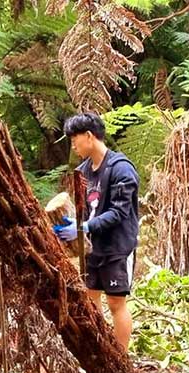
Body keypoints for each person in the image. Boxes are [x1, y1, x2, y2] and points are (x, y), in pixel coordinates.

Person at [54, 113, 139, 348]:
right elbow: (84, 210)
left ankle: (121, 357)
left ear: (89, 136)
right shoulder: (83, 172)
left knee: (115, 303)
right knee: (91, 300)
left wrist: (83, 228)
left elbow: (119, 212)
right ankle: (102, 349)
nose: (73, 146)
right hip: (92, 248)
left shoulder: (121, 169)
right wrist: (69, 225)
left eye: (75, 140)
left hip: (118, 247)